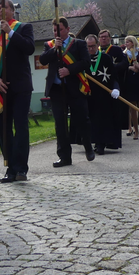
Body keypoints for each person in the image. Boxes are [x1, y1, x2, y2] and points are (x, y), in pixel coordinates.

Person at [0, 0, 34, 183]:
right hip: (0, 88)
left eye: (3, 7)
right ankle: (10, 168)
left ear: (12, 10)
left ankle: (21, 169)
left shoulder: (24, 28)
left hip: (20, 87)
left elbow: (29, 48)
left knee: (20, 127)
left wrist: (10, 32)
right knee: (4, 130)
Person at [39, 17, 94, 166]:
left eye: (60, 29)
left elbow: (86, 62)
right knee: (60, 124)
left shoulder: (79, 44)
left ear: (68, 30)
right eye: (55, 30)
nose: (57, 32)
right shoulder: (49, 45)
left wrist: (69, 70)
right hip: (57, 90)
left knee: (82, 120)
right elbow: (43, 60)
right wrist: (53, 49)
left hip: (75, 89)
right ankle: (64, 157)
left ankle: (88, 147)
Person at [84, 34, 123, 153]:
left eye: (93, 46)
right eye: (88, 46)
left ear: (97, 45)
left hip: (104, 95)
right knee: (91, 120)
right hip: (89, 95)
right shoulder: (83, 59)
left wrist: (116, 88)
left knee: (103, 119)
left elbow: (114, 76)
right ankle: (93, 143)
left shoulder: (106, 58)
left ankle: (101, 144)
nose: (91, 49)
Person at [123, 36, 139, 141]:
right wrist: (129, 67)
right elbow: (121, 66)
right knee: (132, 108)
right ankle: (136, 130)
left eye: (128, 42)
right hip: (130, 83)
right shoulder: (124, 55)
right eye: (125, 42)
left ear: (133, 43)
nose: (126, 44)